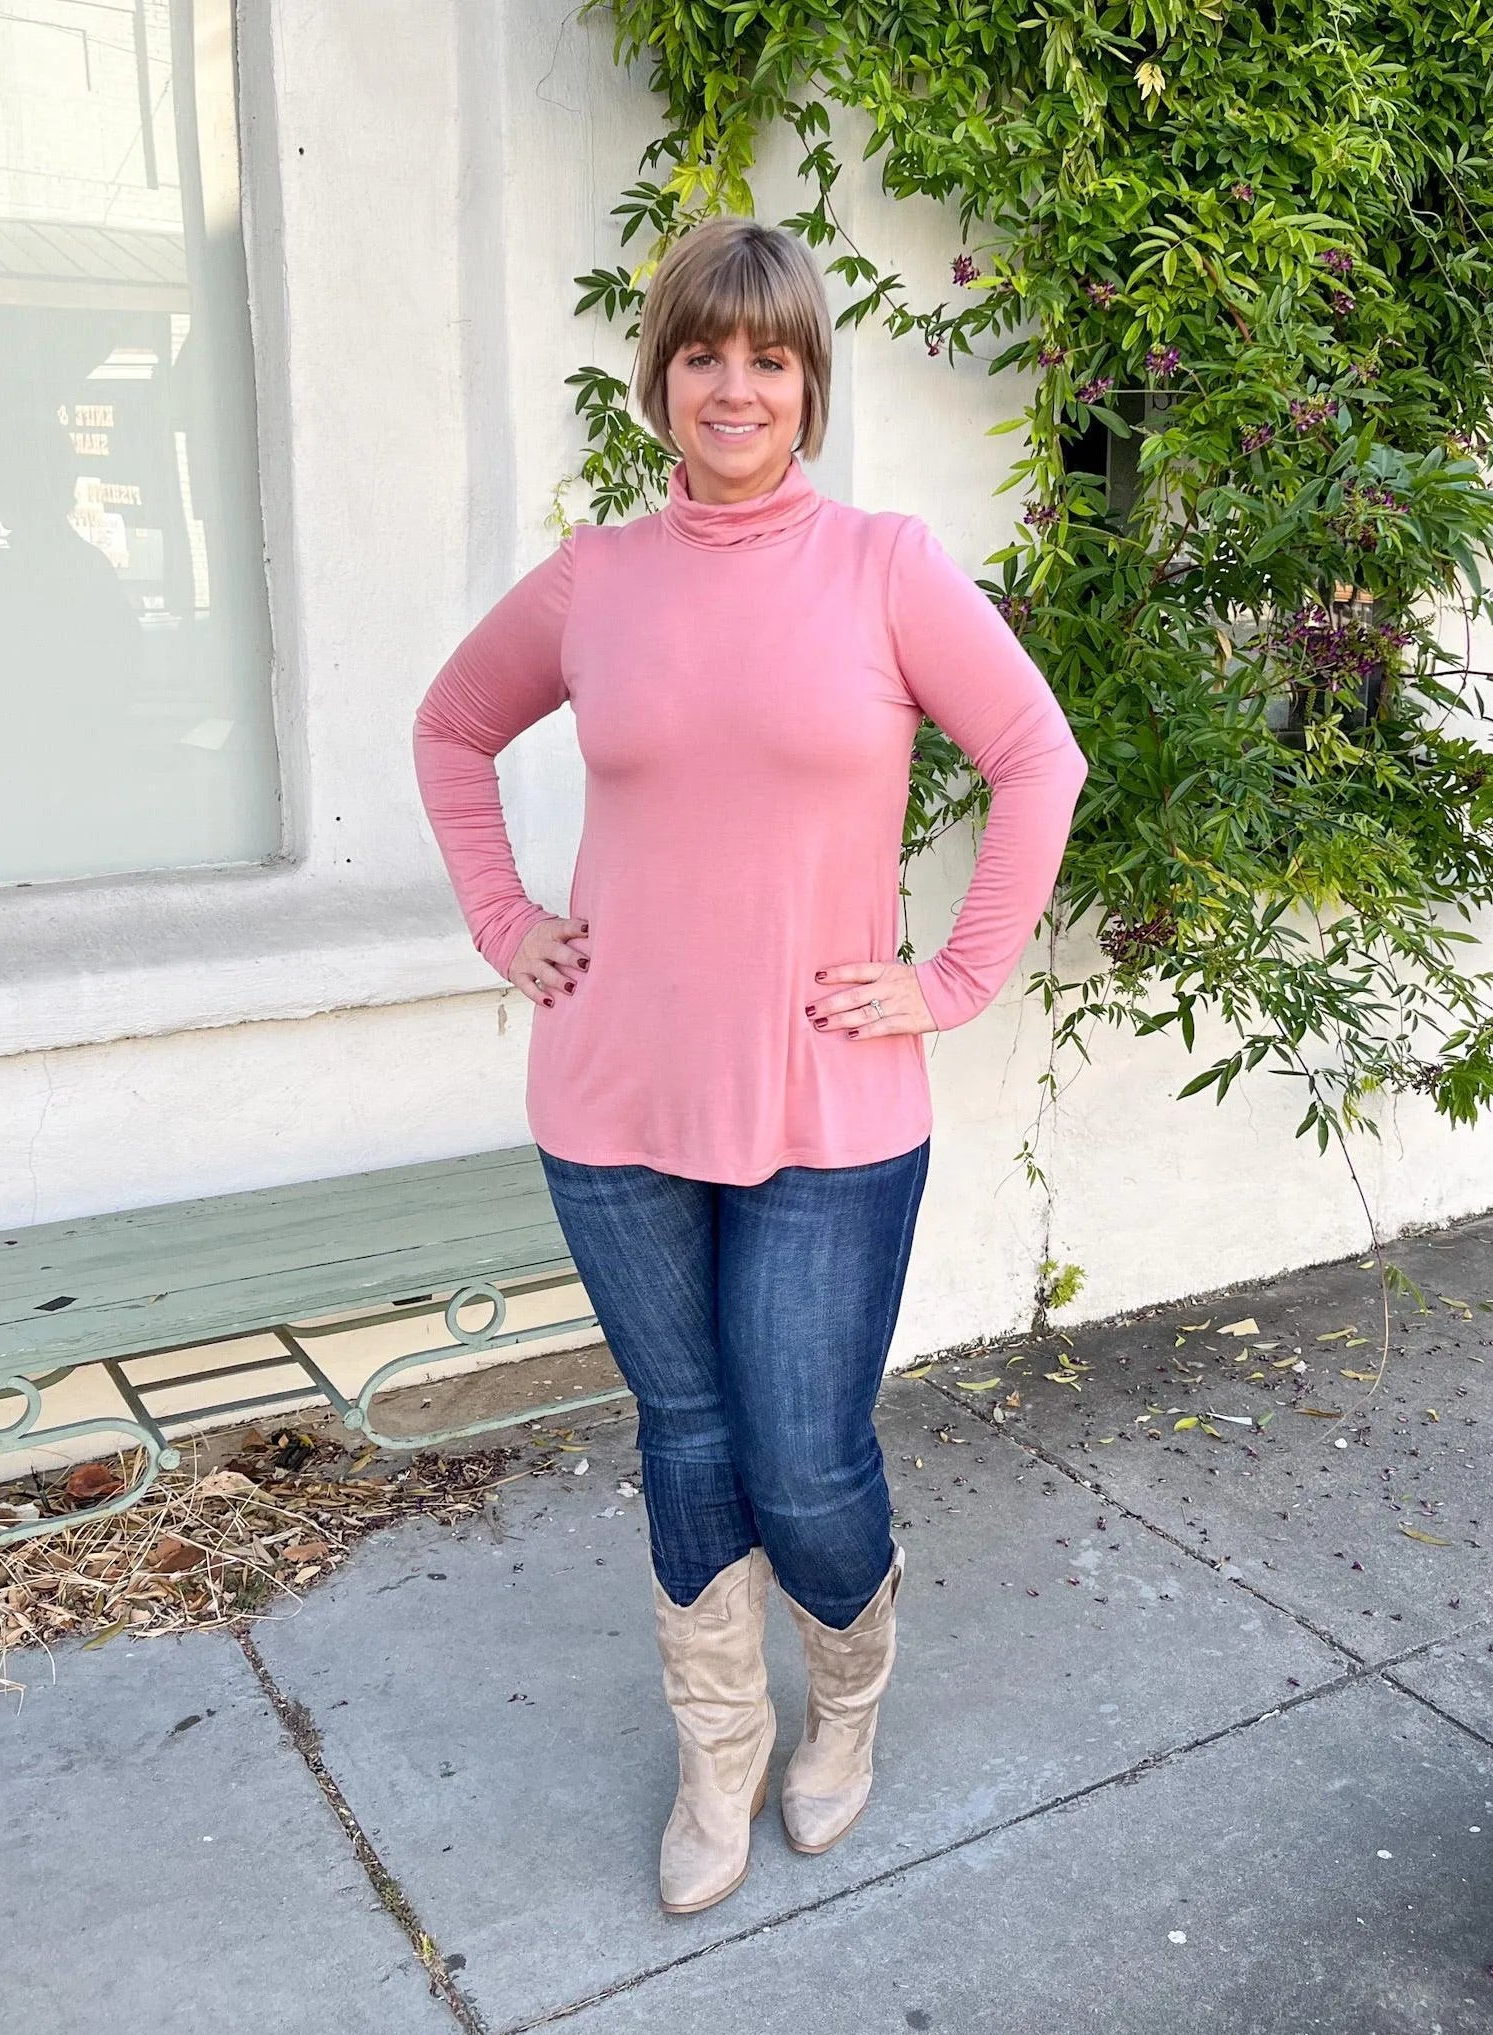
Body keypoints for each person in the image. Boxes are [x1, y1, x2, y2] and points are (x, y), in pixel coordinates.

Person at [413, 215, 1089, 1916]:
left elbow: (1037, 758)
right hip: (612, 1099)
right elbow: (450, 727)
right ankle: (719, 1747)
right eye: (702, 354)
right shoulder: (596, 581)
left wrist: (951, 978)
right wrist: (505, 922)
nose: (733, 387)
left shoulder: (883, 568)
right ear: (659, 379)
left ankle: (841, 1710)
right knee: (687, 1435)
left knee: (801, 1452)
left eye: (767, 358)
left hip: (826, 1107)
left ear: (807, 384)